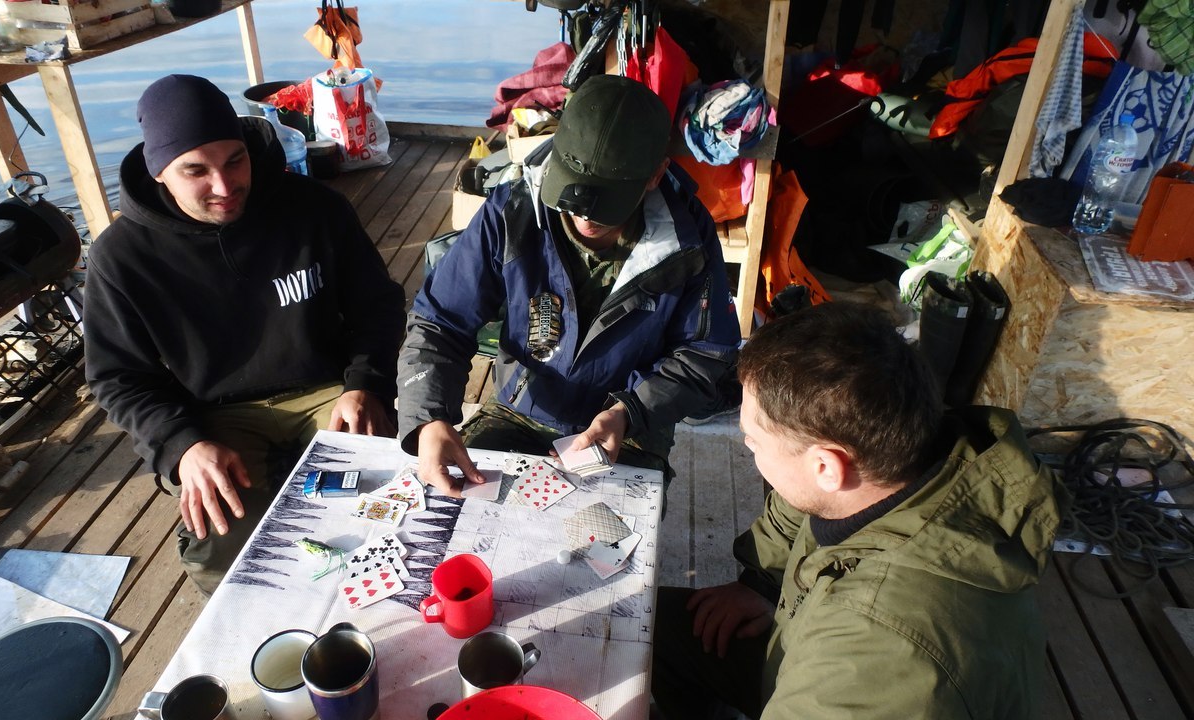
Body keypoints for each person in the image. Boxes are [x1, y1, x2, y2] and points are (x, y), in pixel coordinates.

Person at [651, 302, 1061, 719]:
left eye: (753, 440)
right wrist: (760, 582)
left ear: (827, 467)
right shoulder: (903, 453)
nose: (746, 447)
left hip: (848, 673)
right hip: (800, 643)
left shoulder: (876, 653)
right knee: (654, 628)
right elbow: (797, 509)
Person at [83, 74, 404, 593]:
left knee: (380, 497)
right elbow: (118, 378)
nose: (224, 185)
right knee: (231, 552)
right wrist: (183, 446)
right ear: (160, 171)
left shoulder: (315, 208)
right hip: (215, 415)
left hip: (328, 388)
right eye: (196, 170)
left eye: (235, 159)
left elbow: (378, 303)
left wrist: (364, 382)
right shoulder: (120, 257)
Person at [397, 74, 740, 495]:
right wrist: (428, 417)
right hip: (518, 410)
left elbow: (704, 353)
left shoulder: (689, 240)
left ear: (655, 175)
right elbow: (438, 321)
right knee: (463, 511)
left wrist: (629, 413)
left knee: (607, 540)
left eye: (605, 201)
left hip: (629, 424)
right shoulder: (511, 211)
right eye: (572, 194)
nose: (583, 214)